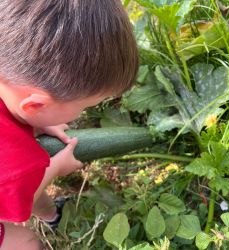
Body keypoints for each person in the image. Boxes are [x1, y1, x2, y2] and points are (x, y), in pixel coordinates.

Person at [0, 0, 138, 249]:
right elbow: (24, 198)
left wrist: (35, 122)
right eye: (86, 106)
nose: (85, 111)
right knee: (26, 242)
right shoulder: (20, 167)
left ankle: (51, 216)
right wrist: (54, 168)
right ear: (35, 105)